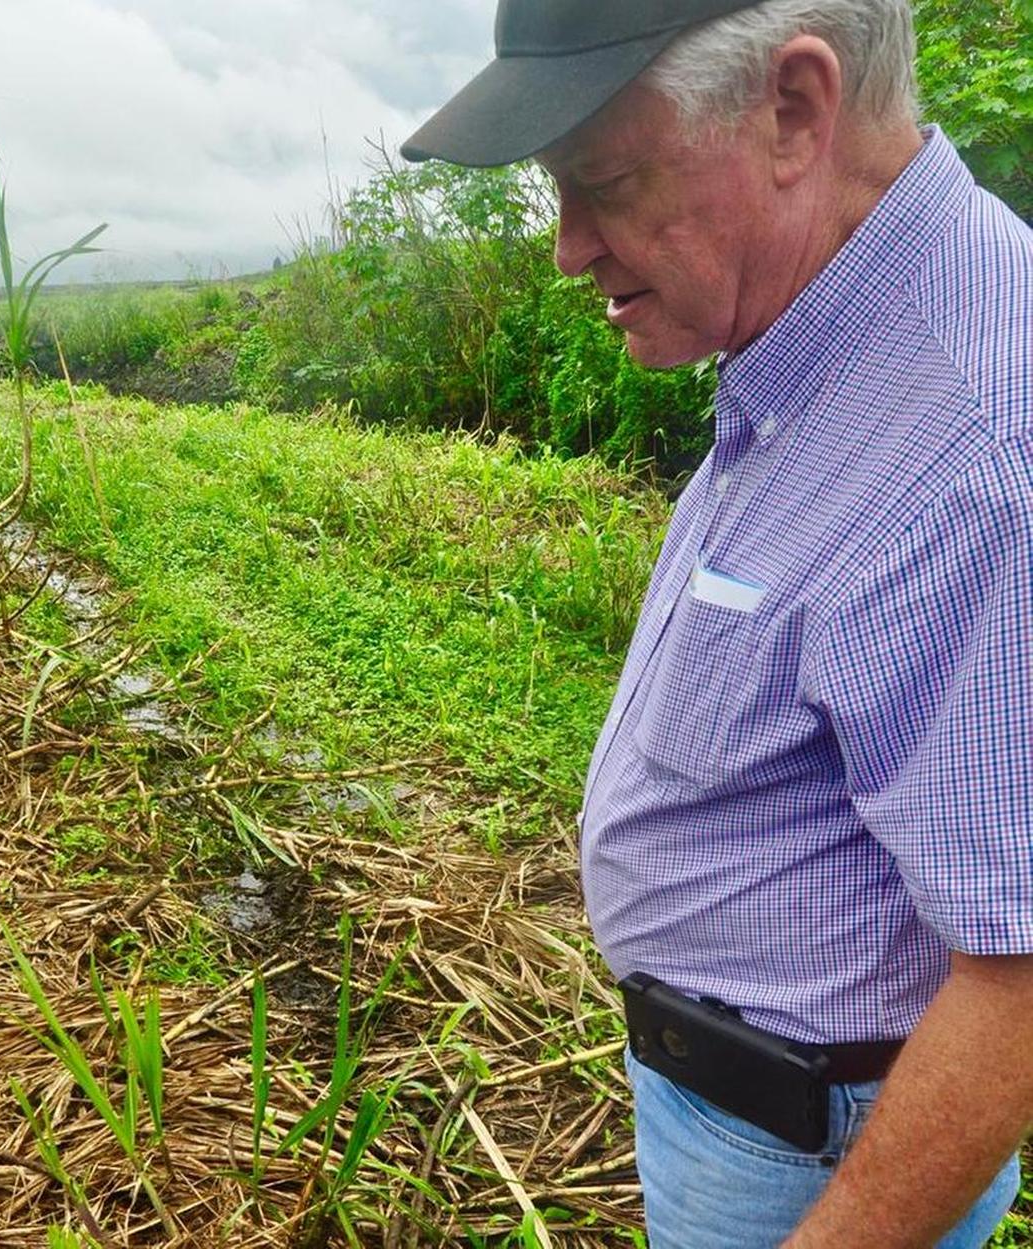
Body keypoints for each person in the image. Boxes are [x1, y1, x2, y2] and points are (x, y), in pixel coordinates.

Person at [403, 1, 1033, 1246]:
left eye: (605, 179)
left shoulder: (980, 450)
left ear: (795, 109)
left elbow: (1019, 979)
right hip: (751, 1106)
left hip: (819, 1156)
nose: (568, 247)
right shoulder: (823, 329)